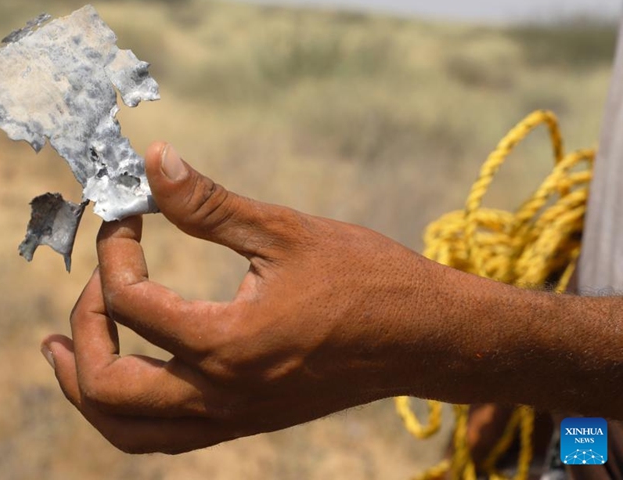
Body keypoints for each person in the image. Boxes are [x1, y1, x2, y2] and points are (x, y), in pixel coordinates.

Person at [39, 141, 623, 456]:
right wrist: (534, 374)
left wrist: (477, 343)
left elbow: (549, 354)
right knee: (582, 453)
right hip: (588, 440)